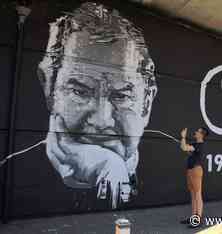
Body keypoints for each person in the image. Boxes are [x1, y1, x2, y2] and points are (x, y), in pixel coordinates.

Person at [37, 2, 157, 209]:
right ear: (50, 89)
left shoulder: (162, 169)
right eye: (79, 92)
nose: (101, 121)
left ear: (146, 103)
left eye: (121, 96)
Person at [180, 127, 209, 228]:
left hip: (196, 171)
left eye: (198, 131)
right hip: (190, 170)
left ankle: (198, 219)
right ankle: (193, 217)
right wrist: (184, 141)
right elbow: (184, 147)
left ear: (201, 135)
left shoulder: (200, 145)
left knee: (197, 195)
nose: (195, 132)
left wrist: (183, 137)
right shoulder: (195, 144)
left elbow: (184, 147)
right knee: (193, 195)